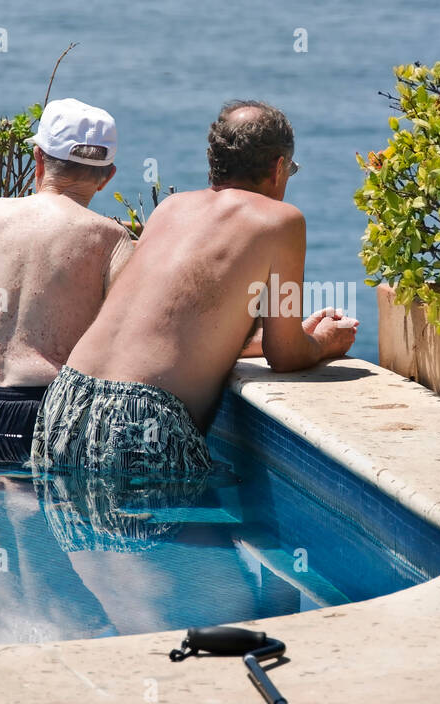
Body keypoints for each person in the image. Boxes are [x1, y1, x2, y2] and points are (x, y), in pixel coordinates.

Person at [31, 99, 357, 478]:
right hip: (143, 418)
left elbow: (176, 326)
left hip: (67, 398)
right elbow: (284, 356)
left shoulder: (170, 208)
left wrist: (296, 332)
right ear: (278, 167)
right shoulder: (281, 221)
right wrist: (325, 342)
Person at [0, 98, 134, 465]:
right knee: (38, 518)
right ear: (107, 177)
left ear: (39, 159)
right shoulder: (109, 237)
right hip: (45, 413)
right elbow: (124, 335)